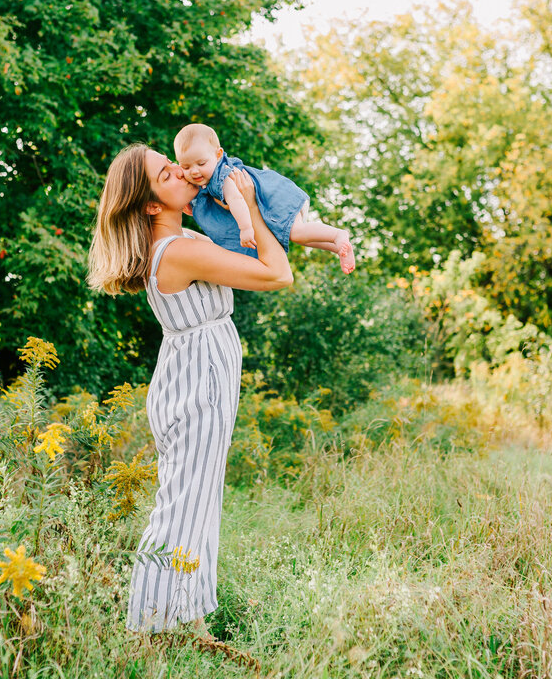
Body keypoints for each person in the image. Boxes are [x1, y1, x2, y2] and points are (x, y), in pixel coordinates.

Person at [87, 144, 293, 634]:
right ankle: (150, 629)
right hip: (199, 382)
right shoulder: (181, 250)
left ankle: (191, 627)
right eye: (167, 173)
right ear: (152, 204)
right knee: (182, 509)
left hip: (192, 376)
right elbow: (277, 272)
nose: (182, 172)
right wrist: (249, 203)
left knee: (196, 505)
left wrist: (237, 207)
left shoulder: (181, 242)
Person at [174, 122, 355, 273]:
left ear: (218, 154)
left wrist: (246, 229)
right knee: (296, 237)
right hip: (267, 203)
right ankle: (338, 247)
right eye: (186, 167)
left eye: (201, 163)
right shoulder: (206, 179)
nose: (194, 171)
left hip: (274, 198)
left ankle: (338, 234)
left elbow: (237, 200)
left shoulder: (224, 177)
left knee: (297, 232)